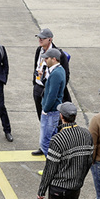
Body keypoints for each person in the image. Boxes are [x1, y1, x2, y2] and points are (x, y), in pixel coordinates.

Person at [32, 28, 71, 156]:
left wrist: (53, 87)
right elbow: (36, 67)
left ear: (50, 39)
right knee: (42, 119)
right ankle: (44, 147)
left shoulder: (59, 54)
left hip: (51, 90)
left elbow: (65, 75)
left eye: (43, 37)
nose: (40, 39)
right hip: (39, 87)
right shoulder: (39, 50)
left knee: (54, 123)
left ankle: (56, 148)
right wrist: (36, 81)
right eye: (39, 37)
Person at [39, 48, 66, 156]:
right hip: (53, 111)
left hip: (50, 111)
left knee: (45, 141)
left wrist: (45, 109)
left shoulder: (56, 74)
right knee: (52, 138)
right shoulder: (59, 70)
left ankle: (50, 167)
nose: (45, 60)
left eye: (47, 58)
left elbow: (52, 94)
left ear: (54, 59)